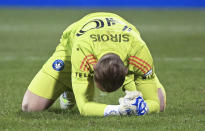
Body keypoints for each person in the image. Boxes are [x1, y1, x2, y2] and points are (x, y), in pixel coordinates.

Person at [22, 12, 166, 116]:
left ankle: (75, 81)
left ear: (126, 71)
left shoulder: (139, 50)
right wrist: (119, 110)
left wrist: (144, 108)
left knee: (161, 104)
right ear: (94, 69)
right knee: (30, 107)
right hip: (71, 48)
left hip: (123, 47)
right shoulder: (83, 50)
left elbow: (155, 103)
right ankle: (69, 86)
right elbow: (84, 107)